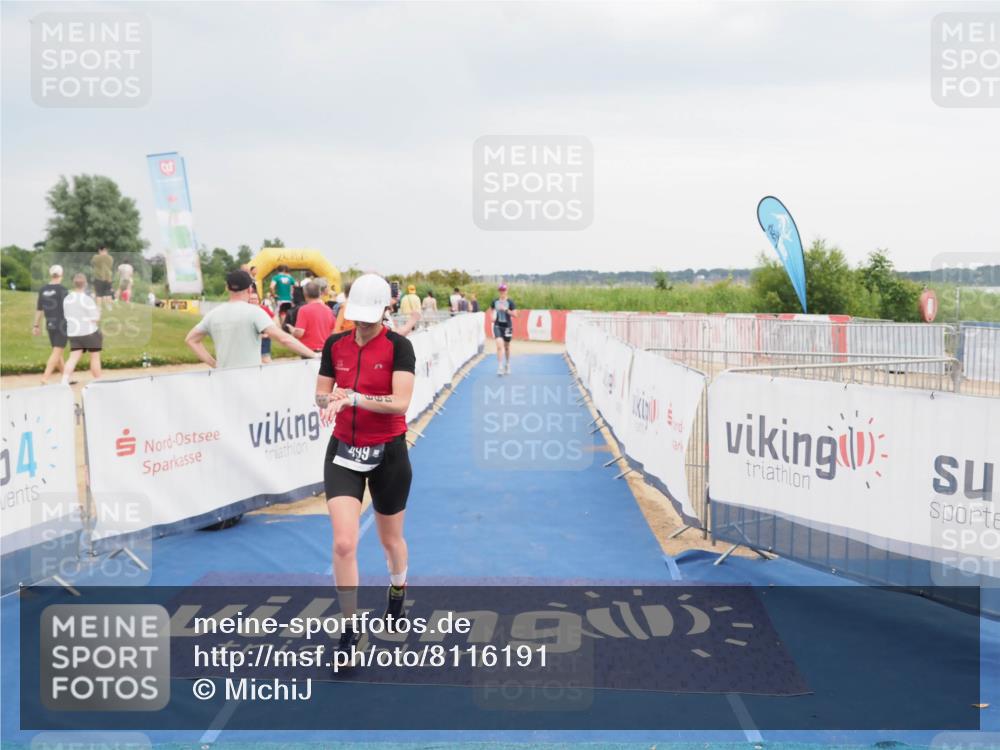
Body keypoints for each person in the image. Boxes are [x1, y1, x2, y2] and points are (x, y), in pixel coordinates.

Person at [315, 273, 416, 651]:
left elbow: (401, 402)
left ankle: (398, 586)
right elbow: (321, 395)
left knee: (390, 540)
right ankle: (350, 627)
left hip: (388, 451)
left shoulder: (400, 347)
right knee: (344, 543)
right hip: (344, 449)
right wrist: (331, 400)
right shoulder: (334, 345)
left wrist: (355, 398)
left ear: (385, 310)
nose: (361, 325)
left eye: (369, 318)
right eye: (356, 317)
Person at [186, 269, 318, 369]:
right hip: (250, 376)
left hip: (223, 377)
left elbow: (191, 340)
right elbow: (283, 338)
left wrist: (215, 364)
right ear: (250, 289)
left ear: (227, 288)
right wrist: (313, 355)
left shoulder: (213, 314)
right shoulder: (255, 312)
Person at [61, 274, 103, 384]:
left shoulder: (67, 299)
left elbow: (66, 315)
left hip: (74, 332)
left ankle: (64, 380)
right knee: (94, 357)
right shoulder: (87, 299)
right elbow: (95, 318)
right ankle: (98, 381)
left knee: (73, 357)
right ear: (85, 284)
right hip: (89, 332)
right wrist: (99, 308)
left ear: (74, 284)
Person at [32, 264, 68, 384]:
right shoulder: (63, 290)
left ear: (51, 274)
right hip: (62, 325)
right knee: (57, 352)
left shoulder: (43, 290)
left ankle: (65, 378)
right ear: (61, 275)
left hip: (50, 325)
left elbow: (39, 309)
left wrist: (36, 326)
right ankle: (45, 377)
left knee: (57, 352)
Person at [289, 281, 335, 355]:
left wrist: (292, 331)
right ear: (320, 293)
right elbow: (333, 331)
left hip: (308, 350)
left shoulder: (304, 310)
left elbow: (300, 333)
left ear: (305, 294)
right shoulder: (328, 309)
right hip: (325, 349)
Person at [490, 283, 517, 375]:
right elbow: (492, 311)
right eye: (501, 290)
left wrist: (506, 309)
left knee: (507, 347)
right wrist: (492, 317)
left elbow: (515, 315)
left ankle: (508, 364)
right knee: (499, 345)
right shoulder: (495, 301)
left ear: (506, 291)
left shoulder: (510, 302)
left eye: (504, 290)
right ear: (499, 291)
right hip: (497, 325)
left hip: (508, 326)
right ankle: (500, 366)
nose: (502, 292)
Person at [248, 285, 275, 363]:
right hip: (251, 339)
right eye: (251, 299)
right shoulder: (245, 310)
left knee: (265, 359)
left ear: (258, 300)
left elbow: (273, 319)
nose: (253, 300)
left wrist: (268, 333)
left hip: (264, 338)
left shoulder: (264, 309)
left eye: (255, 299)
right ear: (248, 300)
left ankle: (274, 373)